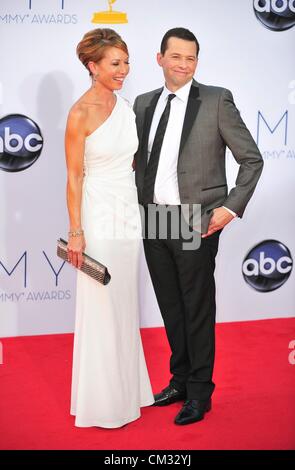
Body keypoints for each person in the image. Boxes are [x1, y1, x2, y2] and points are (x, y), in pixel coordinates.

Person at [133, 27, 264, 425]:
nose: (184, 65)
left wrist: (231, 207)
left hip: (195, 217)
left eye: (191, 58)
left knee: (196, 309)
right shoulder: (142, 104)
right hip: (154, 215)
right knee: (171, 308)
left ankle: (200, 393)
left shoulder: (216, 99)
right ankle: (179, 381)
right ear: (160, 59)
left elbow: (252, 159)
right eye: (176, 57)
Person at [65, 28, 154, 428]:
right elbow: (74, 178)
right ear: (92, 66)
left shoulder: (126, 106)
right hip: (97, 215)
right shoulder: (79, 113)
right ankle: (103, 402)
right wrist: (77, 232)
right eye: (115, 64)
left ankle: (129, 390)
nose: (124, 70)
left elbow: (131, 161)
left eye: (126, 62)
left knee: (123, 302)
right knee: (101, 304)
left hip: (127, 214)